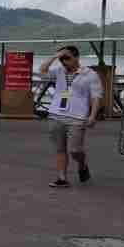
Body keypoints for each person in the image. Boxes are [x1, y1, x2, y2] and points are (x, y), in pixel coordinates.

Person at [38, 45, 103, 188]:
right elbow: (42, 71)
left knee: (75, 150)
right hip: (56, 114)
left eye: (67, 58)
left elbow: (96, 97)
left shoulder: (89, 74)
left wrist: (92, 116)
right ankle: (62, 178)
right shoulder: (59, 71)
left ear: (77, 57)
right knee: (60, 149)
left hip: (77, 117)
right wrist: (55, 56)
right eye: (62, 59)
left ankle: (82, 164)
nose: (64, 62)